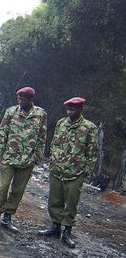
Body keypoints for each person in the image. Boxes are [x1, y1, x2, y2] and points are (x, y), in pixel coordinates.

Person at [0, 87, 47, 232]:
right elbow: (2, 133)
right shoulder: (11, 111)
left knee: (17, 191)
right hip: (9, 157)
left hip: (27, 160)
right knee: (3, 187)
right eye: (18, 98)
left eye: (22, 99)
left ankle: (7, 218)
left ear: (30, 99)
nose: (19, 101)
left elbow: (42, 137)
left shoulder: (40, 114)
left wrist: (37, 157)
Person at [39, 97, 98, 248]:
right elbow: (53, 144)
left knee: (71, 203)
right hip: (57, 170)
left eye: (73, 109)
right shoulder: (61, 123)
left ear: (80, 110)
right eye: (68, 109)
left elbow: (92, 153)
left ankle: (67, 231)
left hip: (75, 173)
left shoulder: (89, 127)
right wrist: (52, 160)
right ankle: (55, 227)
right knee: (54, 200)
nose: (69, 112)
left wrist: (86, 172)